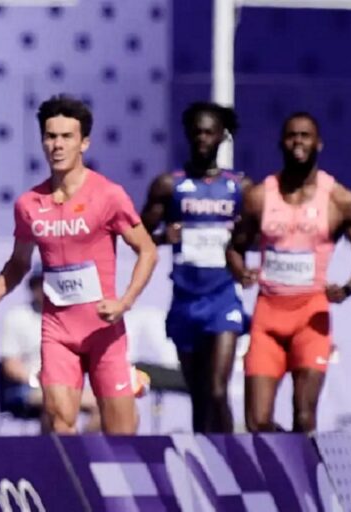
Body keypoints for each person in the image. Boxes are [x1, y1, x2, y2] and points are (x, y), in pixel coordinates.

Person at [0, 95, 157, 435]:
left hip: (103, 331)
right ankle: (67, 486)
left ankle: (106, 483)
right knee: (59, 423)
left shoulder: (109, 196)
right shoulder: (29, 204)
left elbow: (147, 250)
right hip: (58, 332)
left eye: (66, 136)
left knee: (123, 431)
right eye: (50, 136)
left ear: (84, 142)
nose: (57, 145)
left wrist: (125, 301)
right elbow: (18, 263)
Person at [227, 112, 351, 433]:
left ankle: (305, 479)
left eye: (305, 135)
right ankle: (286, 467)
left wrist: (347, 289)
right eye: (292, 135)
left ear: (318, 143)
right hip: (268, 316)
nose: (298, 141)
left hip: (311, 317)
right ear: (281, 142)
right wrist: (241, 272)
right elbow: (234, 247)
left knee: (304, 416)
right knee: (256, 422)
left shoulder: (341, 200)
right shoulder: (258, 197)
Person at [141, 102, 251, 433]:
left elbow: (259, 232)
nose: (203, 138)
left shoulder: (240, 188)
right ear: (188, 134)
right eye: (197, 131)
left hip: (222, 301)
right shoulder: (168, 185)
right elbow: (136, 233)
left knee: (218, 391)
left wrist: (242, 251)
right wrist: (163, 237)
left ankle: (233, 462)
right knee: (199, 395)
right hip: (185, 302)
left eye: (209, 132)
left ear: (222, 136)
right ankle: (203, 466)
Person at [0, 271, 101, 432]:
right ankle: (50, 451)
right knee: (54, 399)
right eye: (41, 284)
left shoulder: (69, 318)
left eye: (50, 284)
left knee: (105, 403)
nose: (45, 289)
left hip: (65, 383)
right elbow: (10, 365)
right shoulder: (18, 317)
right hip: (29, 387)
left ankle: (78, 449)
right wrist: (38, 379)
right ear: (33, 288)